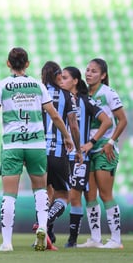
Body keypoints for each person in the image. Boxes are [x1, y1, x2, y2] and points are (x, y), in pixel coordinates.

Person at [0, 47, 74, 252]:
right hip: (36, 144)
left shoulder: (1, 85)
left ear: (8, 64)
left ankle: (6, 242)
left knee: (9, 194)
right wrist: (67, 137)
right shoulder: (38, 85)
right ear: (28, 64)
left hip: (12, 144)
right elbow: (55, 115)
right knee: (40, 191)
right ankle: (42, 228)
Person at [76, 58, 127, 249]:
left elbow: (122, 120)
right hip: (87, 148)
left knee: (106, 194)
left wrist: (111, 141)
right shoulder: (82, 94)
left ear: (103, 75)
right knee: (89, 195)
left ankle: (116, 239)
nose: (89, 73)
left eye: (94, 71)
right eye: (87, 70)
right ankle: (95, 239)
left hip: (104, 147)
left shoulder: (108, 93)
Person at [59, 66, 112, 247]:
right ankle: (47, 232)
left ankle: (72, 239)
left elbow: (107, 121)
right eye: (60, 78)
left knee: (74, 196)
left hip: (79, 157)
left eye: (65, 78)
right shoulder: (58, 98)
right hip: (60, 155)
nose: (61, 81)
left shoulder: (85, 100)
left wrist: (91, 142)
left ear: (75, 81)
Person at [39, 61, 81, 249]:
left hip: (37, 152)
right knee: (64, 195)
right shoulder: (67, 95)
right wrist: (78, 149)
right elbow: (73, 125)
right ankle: (44, 223)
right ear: (57, 76)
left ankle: (43, 235)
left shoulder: (37, 92)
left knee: (42, 194)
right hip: (57, 152)